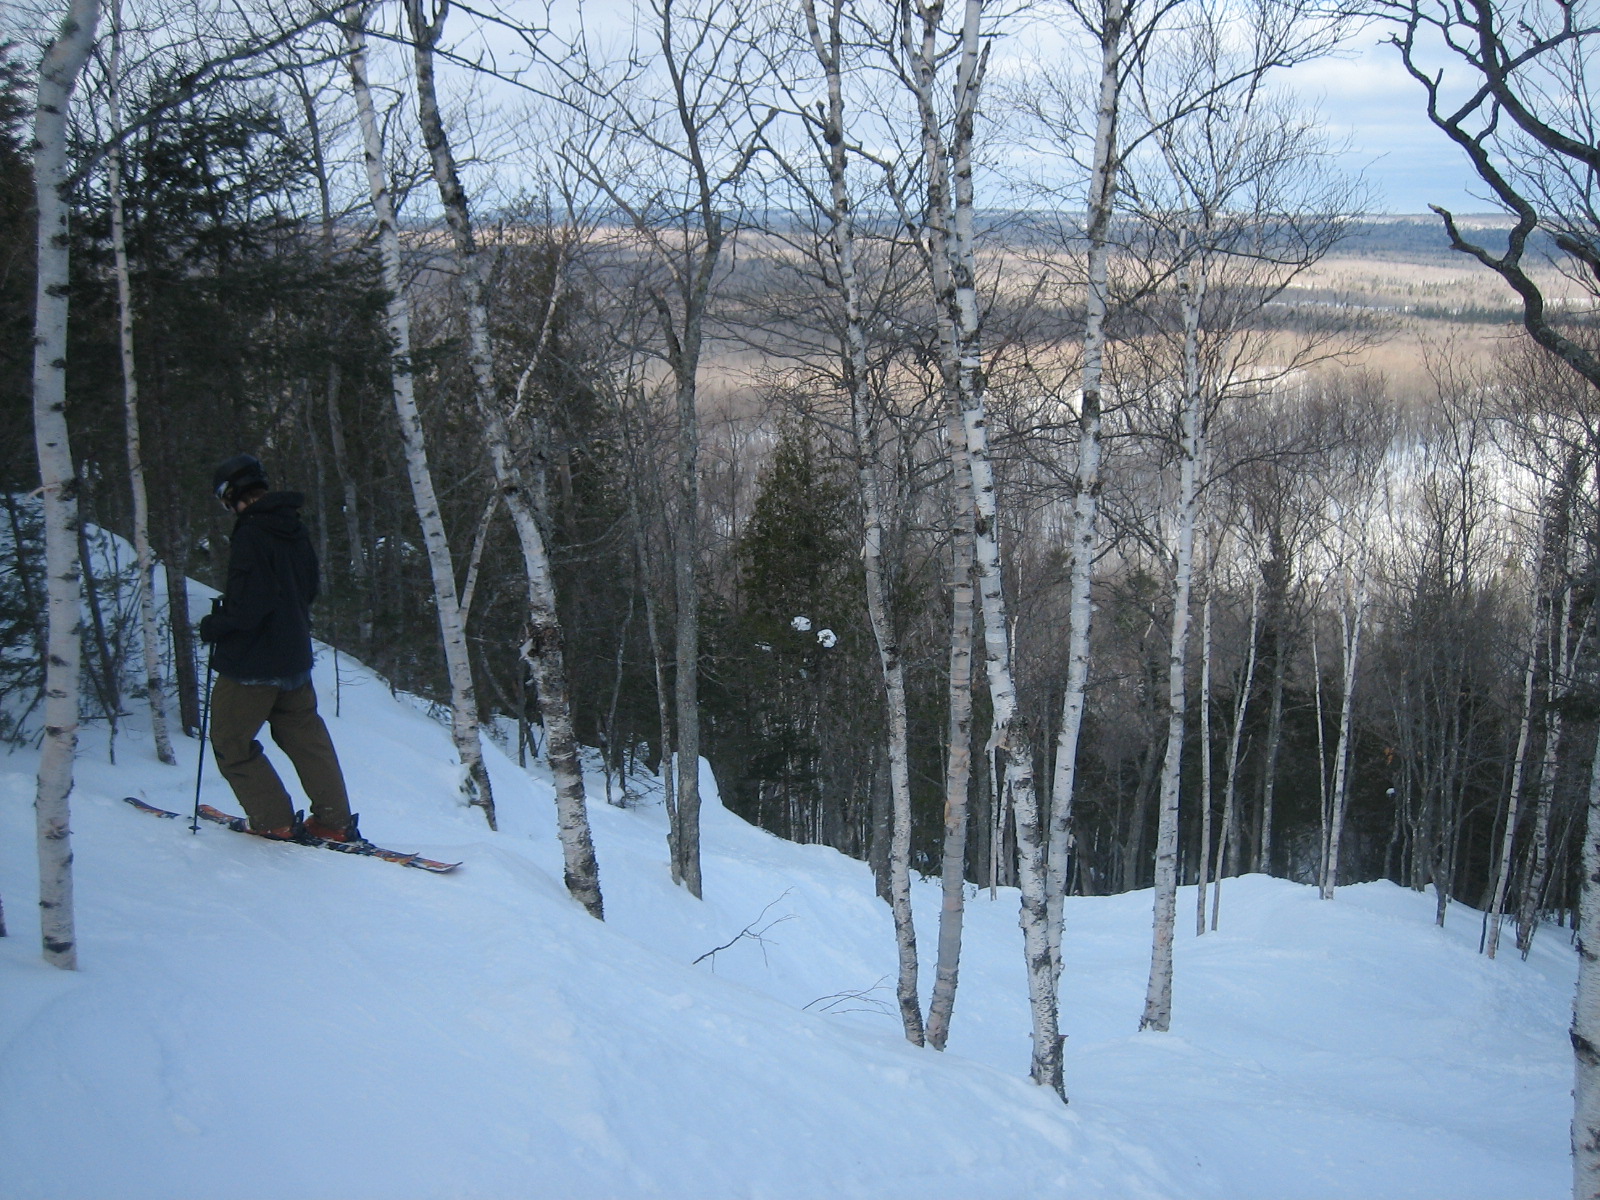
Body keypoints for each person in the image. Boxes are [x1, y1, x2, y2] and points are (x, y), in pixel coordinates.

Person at [197, 454, 361, 843]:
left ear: (233, 494)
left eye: (225, 500)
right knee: (306, 739)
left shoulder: (251, 533)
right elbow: (307, 589)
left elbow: (249, 604)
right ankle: (333, 821)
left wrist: (216, 624)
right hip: (294, 656)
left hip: (253, 664)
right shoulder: (291, 526)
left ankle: (274, 820)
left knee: (230, 743)